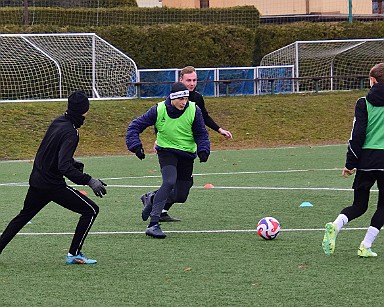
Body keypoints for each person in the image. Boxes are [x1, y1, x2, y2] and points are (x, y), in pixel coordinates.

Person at [0, 90, 107, 264]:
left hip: (37, 180)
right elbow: (63, 166)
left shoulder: (58, 121)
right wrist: (89, 180)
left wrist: (72, 162)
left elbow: (50, 152)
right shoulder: (72, 132)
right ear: (84, 110)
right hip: (52, 185)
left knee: (22, 216)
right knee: (91, 210)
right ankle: (74, 254)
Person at [126, 82, 210, 238]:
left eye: (186, 98)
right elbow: (134, 126)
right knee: (169, 181)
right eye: (180, 99)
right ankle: (153, 224)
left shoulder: (194, 110)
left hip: (186, 155)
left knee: (181, 196)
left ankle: (151, 198)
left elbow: (201, 133)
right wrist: (136, 146)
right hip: (166, 151)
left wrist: (203, 149)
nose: (184, 102)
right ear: (172, 98)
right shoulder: (158, 110)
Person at [155, 65, 232, 222]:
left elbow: (204, 117)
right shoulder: (173, 98)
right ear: (181, 80)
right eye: (188, 80)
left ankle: (153, 200)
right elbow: (160, 120)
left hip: (187, 148)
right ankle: (158, 208)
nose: (191, 83)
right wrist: (158, 139)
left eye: (194, 80)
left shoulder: (197, 98)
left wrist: (219, 129)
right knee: (171, 181)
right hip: (170, 147)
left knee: (183, 189)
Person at [322, 62, 384, 258]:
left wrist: (350, 163)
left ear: (372, 81)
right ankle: (366, 245)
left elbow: (357, 135)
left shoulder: (363, 103)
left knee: (359, 205)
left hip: (366, 161)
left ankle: (335, 225)